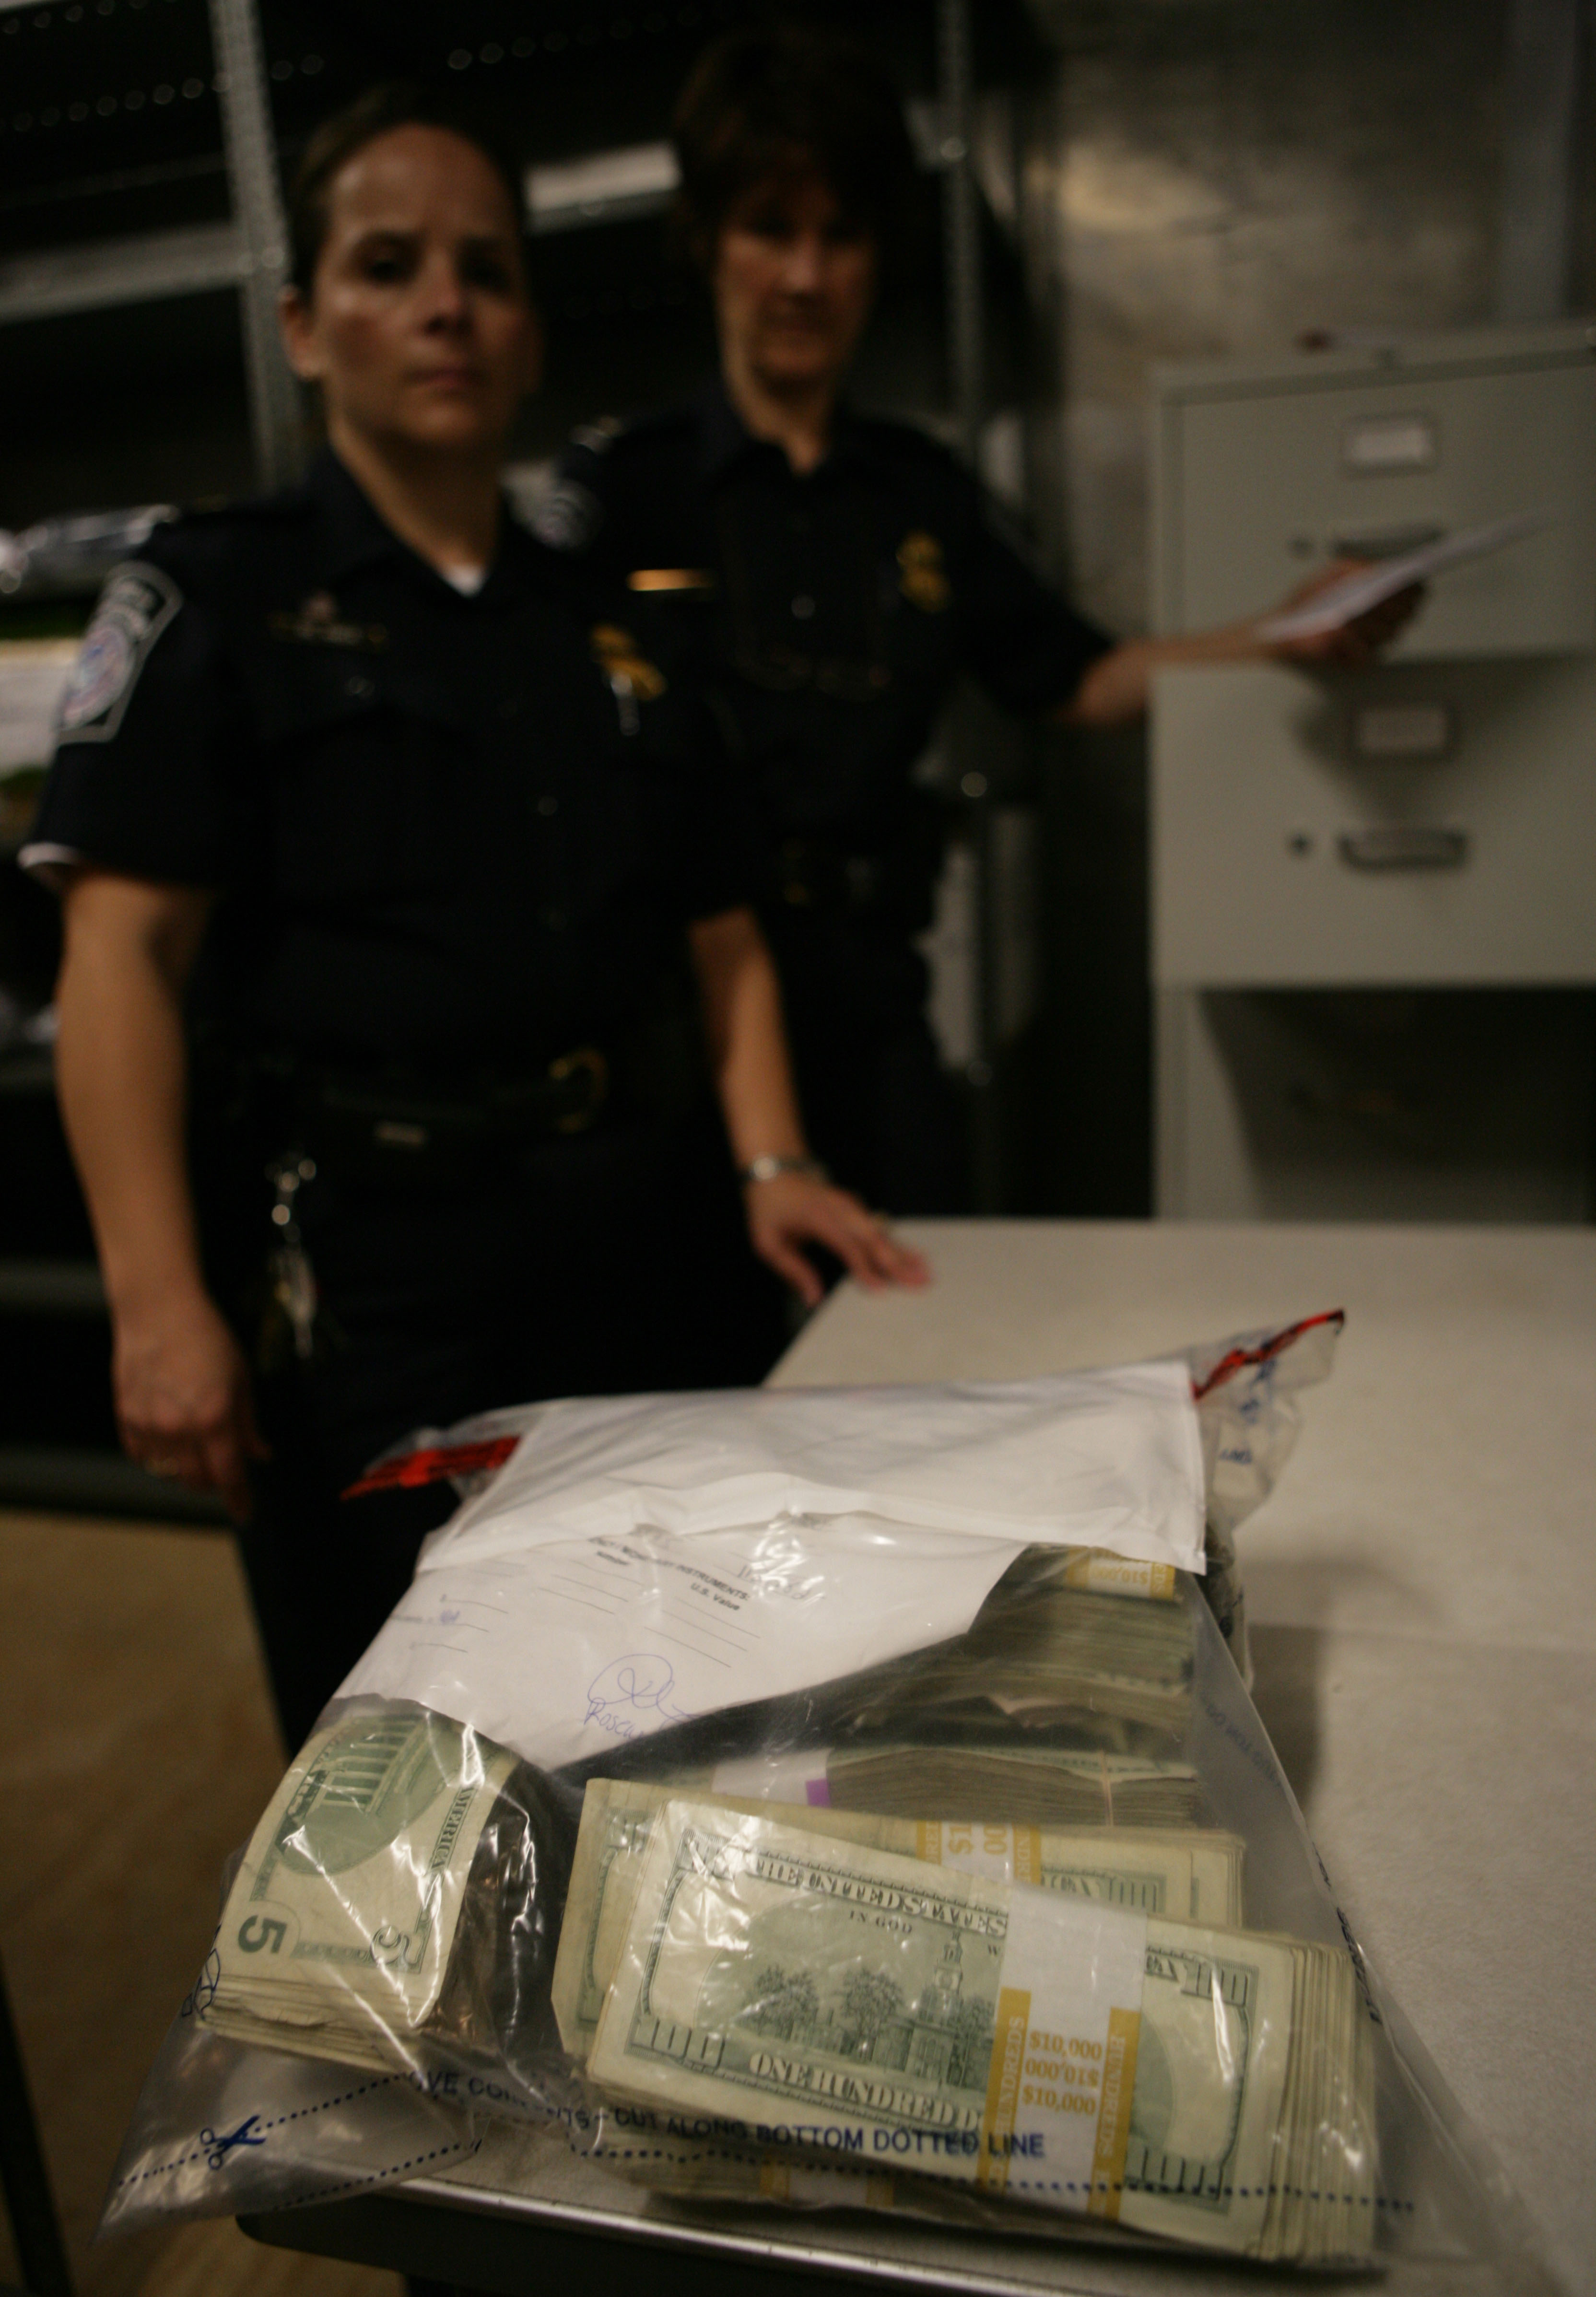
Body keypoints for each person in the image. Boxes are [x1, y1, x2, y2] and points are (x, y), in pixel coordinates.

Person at [24, 82, 923, 1754]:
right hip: (375, 1283)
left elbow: (719, 929)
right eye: (387, 265)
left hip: (644, 1246)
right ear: (303, 325)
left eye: (487, 272)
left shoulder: (614, 624)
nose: (444, 303)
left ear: (524, 334)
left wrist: (773, 1162)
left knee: (675, 1701)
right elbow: (120, 959)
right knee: (413, 1744)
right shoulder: (216, 596)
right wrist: (157, 1304)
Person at [541, 23, 1418, 1231]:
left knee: (925, 1329)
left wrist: (1280, 632)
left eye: (838, 236)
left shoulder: (923, 494)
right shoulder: (624, 491)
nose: (803, 277)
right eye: (768, 230)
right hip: (676, 1018)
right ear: (704, 242)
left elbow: (1082, 680)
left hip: (868, 997)